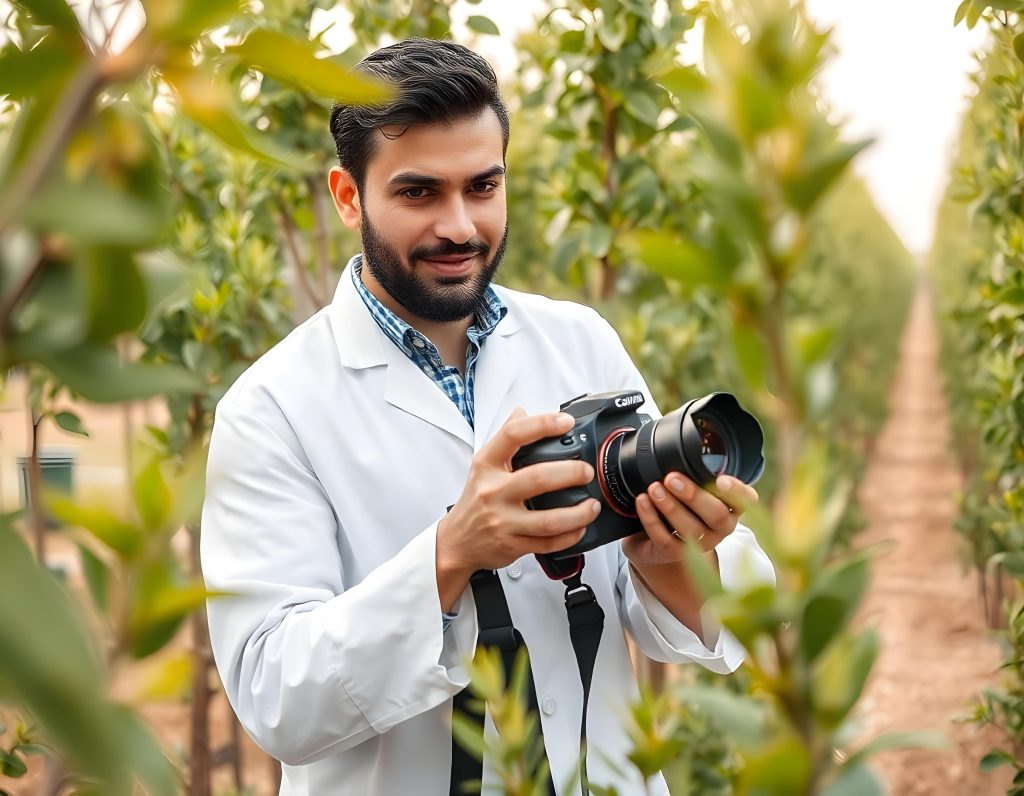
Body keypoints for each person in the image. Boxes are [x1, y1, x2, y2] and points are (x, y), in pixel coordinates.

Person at [201, 37, 774, 796]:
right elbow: (275, 700)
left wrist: (672, 556)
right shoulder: (270, 408)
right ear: (348, 196)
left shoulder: (580, 341)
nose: (460, 226)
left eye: (482, 186)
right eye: (418, 193)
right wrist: (449, 554)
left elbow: (705, 625)